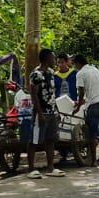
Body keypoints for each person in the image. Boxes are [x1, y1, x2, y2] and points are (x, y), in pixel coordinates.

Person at [24, 48, 63, 179]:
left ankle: (51, 167)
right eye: (53, 57)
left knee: (50, 139)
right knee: (34, 139)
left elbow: (52, 94)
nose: (54, 60)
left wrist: (57, 110)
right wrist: (40, 113)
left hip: (52, 111)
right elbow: (34, 95)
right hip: (40, 112)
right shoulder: (36, 74)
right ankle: (31, 168)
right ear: (46, 58)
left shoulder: (51, 73)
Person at [73, 52, 99, 167]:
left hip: (93, 105)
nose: (74, 67)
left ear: (78, 63)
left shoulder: (80, 73)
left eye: (74, 64)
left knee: (92, 134)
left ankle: (94, 160)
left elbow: (81, 92)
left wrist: (78, 106)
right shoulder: (95, 69)